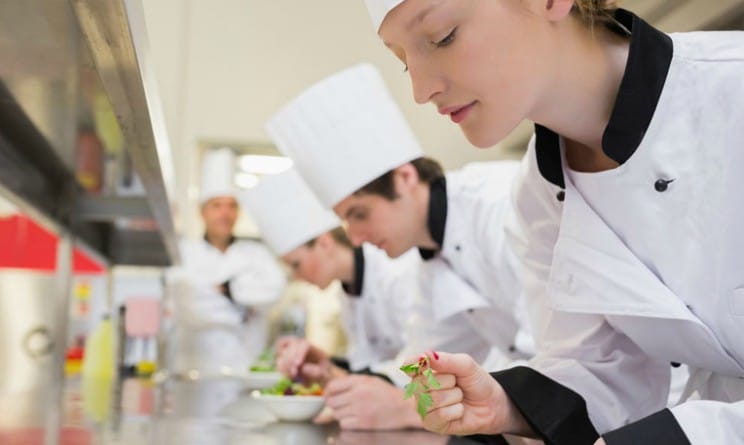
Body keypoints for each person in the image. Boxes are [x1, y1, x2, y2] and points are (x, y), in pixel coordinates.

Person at [366, 0, 744, 444]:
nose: (421, 89)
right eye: (404, 62)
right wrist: (509, 404)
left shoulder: (731, 89)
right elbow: (605, 368)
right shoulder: (539, 193)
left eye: (442, 36)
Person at [266, 63, 533, 373]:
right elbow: (423, 361)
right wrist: (334, 372)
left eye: (359, 214)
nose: (355, 239)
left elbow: (555, 349)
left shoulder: (500, 205)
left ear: (404, 178)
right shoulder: (433, 261)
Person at [241, 168, 497, 430]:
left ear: (325, 244)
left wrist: (404, 406)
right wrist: (330, 371)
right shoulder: (348, 293)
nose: (356, 237)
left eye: (296, 264)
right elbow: (409, 362)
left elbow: (429, 361)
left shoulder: (400, 269)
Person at [165, 147, 286, 374]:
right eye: (217, 205)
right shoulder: (183, 253)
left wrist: (224, 290)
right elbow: (187, 306)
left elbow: (274, 292)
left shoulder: (257, 254)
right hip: (194, 370)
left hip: (246, 368)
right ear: (203, 212)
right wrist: (243, 308)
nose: (225, 213)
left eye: (232, 206)